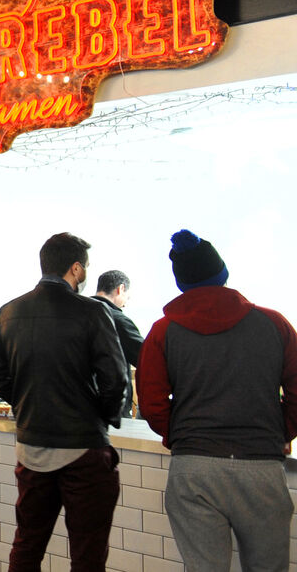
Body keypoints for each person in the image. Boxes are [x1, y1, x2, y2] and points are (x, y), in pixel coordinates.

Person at [137, 230, 297, 572]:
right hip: (261, 468)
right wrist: (281, 430)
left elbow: (151, 403)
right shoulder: (274, 324)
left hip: (194, 469)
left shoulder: (163, 331)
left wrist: (182, 435)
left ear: (182, 283)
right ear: (221, 274)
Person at [0, 232, 127, 572]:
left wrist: (27, 405)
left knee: (27, 543)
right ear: (76, 269)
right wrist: (100, 417)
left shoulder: (9, 312)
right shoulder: (93, 312)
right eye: (86, 268)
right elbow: (117, 379)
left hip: (32, 447)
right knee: (87, 553)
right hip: (83, 449)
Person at [93, 270, 144, 417]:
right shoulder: (117, 320)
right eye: (127, 296)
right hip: (110, 410)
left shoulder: (77, 313)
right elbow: (147, 358)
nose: (126, 303)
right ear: (120, 289)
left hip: (79, 406)